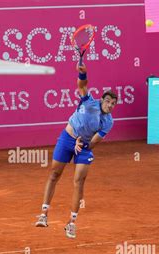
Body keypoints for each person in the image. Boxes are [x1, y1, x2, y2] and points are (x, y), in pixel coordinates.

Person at [35, 62, 117, 239]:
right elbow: (82, 86)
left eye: (113, 104)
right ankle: (43, 214)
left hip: (84, 147)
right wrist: (83, 74)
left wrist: (83, 144)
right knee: (54, 174)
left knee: (79, 181)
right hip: (67, 138)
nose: (110, 106)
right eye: (108, 101)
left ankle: (71, 223)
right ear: (102, 100)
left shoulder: (108, 121)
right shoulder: (89, 102)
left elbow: (95, 141)